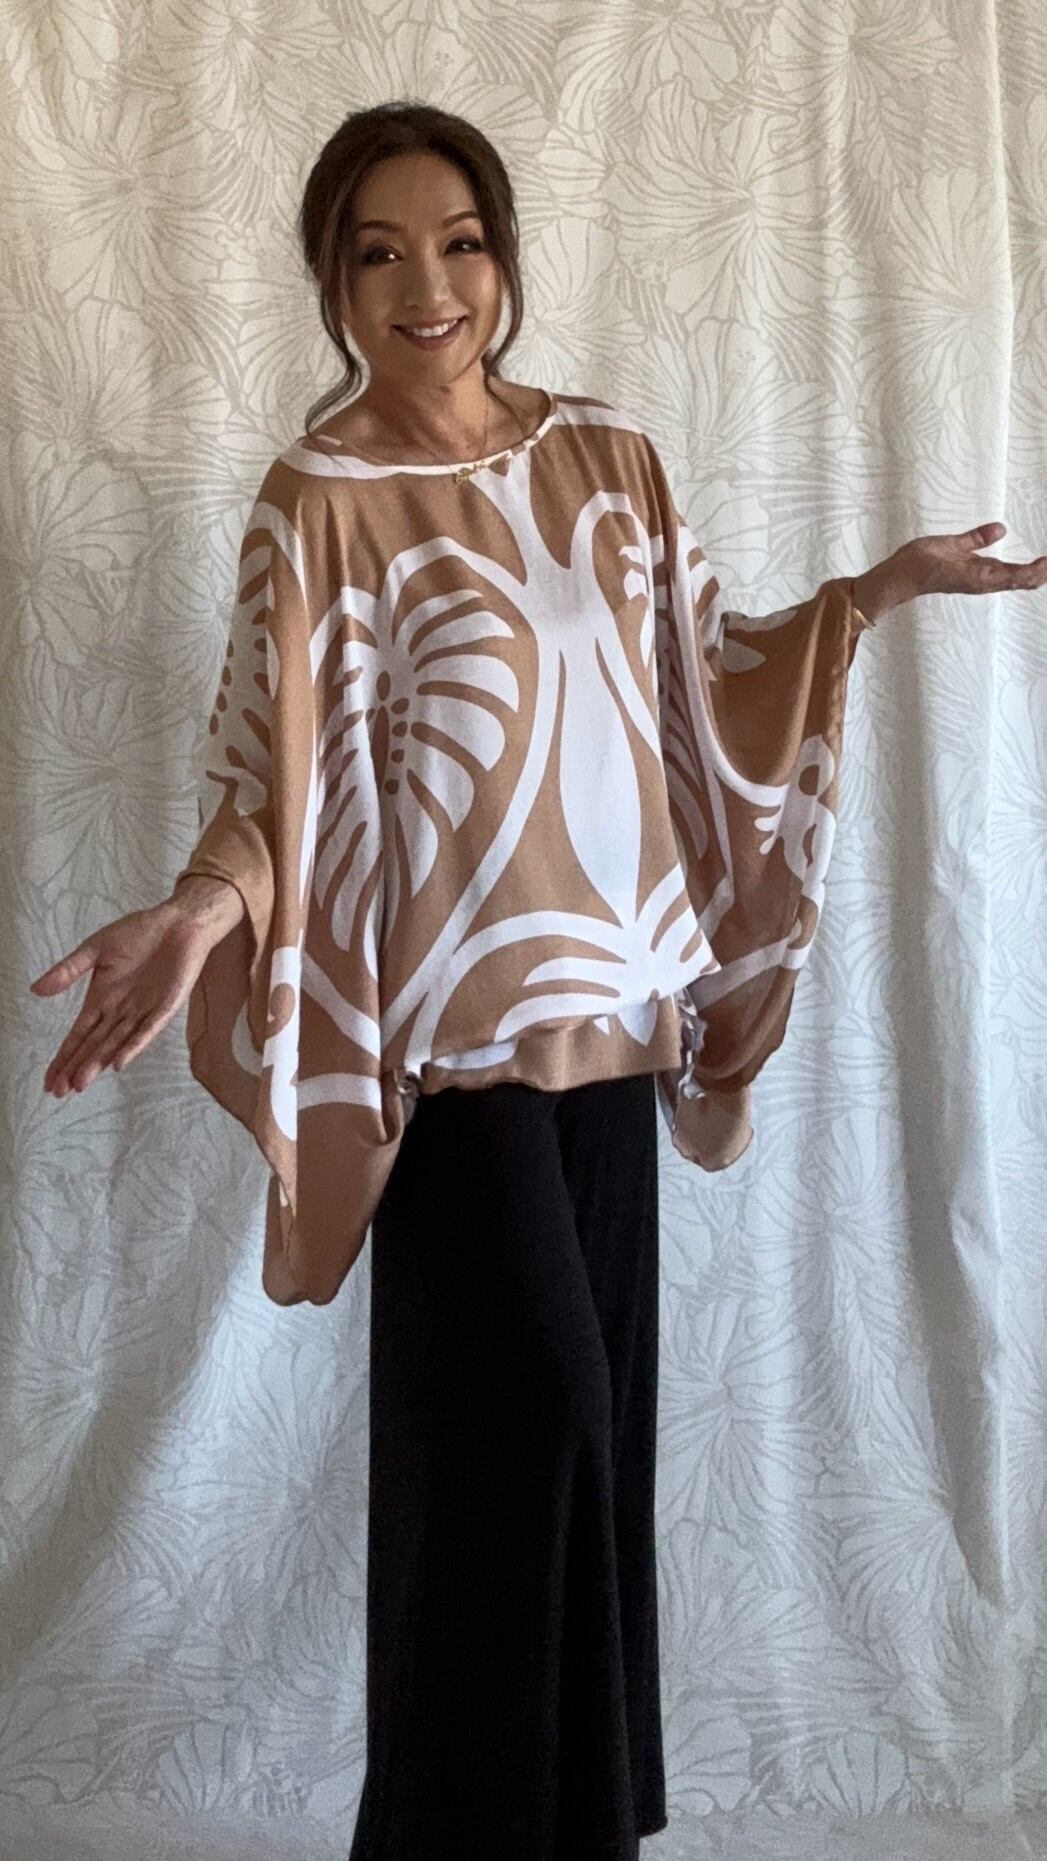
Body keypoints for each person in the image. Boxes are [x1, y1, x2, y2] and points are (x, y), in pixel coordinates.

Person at [27, 100, 1047, 1861]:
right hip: (448, 1059)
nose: (426, 284)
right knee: (530, 1428)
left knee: (578, 1466)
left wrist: (874, 593)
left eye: (460, 241)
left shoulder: (608, 459)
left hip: (616, 1030)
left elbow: (706, 676)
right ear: (334, 282)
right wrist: (199, 913)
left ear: (501, 257)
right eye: (379, 252)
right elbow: (279, 775)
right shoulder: (318, 501)